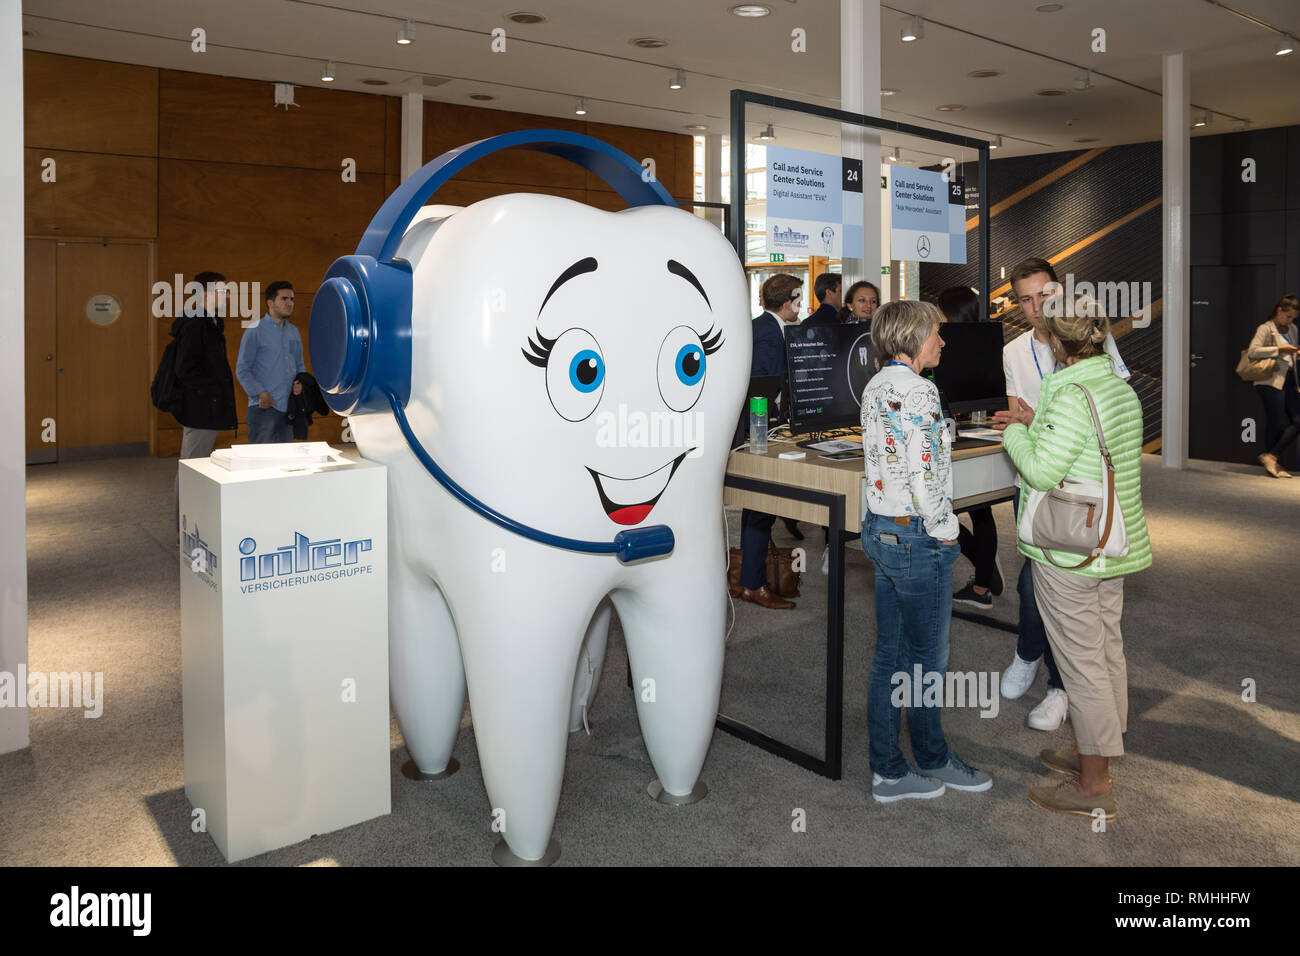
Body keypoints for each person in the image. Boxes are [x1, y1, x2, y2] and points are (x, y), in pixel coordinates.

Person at [992, 301, 1151, 821]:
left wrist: (1013, 430)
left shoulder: (1070, 395)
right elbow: (1088, 455)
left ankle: (1093, 784)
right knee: (1106, 652)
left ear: (1058, 346)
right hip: (1110, 546)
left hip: (1071, 552)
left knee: (1081, 665)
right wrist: (1037, 423)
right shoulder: (1119, 390)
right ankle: (1097, 751)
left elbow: (1039, 471)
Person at [860, 300, 992, 802]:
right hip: (919, 538)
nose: (944, 340)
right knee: (927, 660)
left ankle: (888, 771)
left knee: (888, 656)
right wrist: (947, 533)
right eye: (938, 332)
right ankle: (932, 757)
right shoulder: (921, 391)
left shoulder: (877, 385)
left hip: (881, 530)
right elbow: (926, 473)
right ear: (914, 335)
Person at [999, 257, 1131, 732]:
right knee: (1032, 585)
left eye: (1045, 296)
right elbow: (1016, 411)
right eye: (1026, 300)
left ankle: (1060, 685)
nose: (1037, 308)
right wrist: (1029, 425)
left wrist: (1034, 425)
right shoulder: (1015, 352)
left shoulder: (1094, 341)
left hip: (1084, 489)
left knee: (1065, 594)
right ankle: (1028, 653)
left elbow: (1110, 408)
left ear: (1061, 291)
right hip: (1033, 484)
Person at [935, 286, 1004, 609]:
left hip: (951, 434)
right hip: (983, 431)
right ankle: (983, 581)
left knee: (939, 509)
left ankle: (983, 572)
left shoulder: (945, 343)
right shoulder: (989, 340)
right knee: (982, 509)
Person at [738, 274, 803, 609]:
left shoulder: (764, 326)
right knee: (762, 505)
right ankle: (752, 583)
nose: (801, 306)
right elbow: (760, 382)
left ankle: (749, 575)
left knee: (756, 505)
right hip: (761, 427)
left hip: (761, 426)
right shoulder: (767, 331)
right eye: (799, 299)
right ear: (788, 302)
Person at [172, 271, 238, 519]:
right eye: (222, 291)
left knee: (196, 466)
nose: (228, 296)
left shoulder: (211, 322)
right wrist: (212, 394)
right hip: (200, 410)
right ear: (205, 295)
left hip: (207, 408)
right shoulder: (195, 323)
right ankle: (185, 526)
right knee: (192, 467)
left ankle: (191, 520)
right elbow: (185, 369)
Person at [236, 281, 306, 444]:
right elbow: (242, 369)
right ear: (270, 303)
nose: (290, 303)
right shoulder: (255, 330)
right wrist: (260, 393)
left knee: (285, 462)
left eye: (292, 299)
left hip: (289, 407)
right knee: (260, 462)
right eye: (284, 299)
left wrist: (300, 383)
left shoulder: (294, 331)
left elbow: (300, 365)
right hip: (263, 408)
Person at [1247, 294, 1300, 478]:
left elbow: (1291, 355)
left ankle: (1271, 456)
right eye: (1288, 316)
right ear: (1279, 310)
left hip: (1290, 380)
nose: (1290, 320)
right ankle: (1273, 463)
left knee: (1297, 420)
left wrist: (1296, 352)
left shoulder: (1292, 328)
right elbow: (1253, 352)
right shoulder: (1266, 328)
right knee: (1277, 423)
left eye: (1293, 317)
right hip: (1270, 380)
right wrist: (1279, 350)